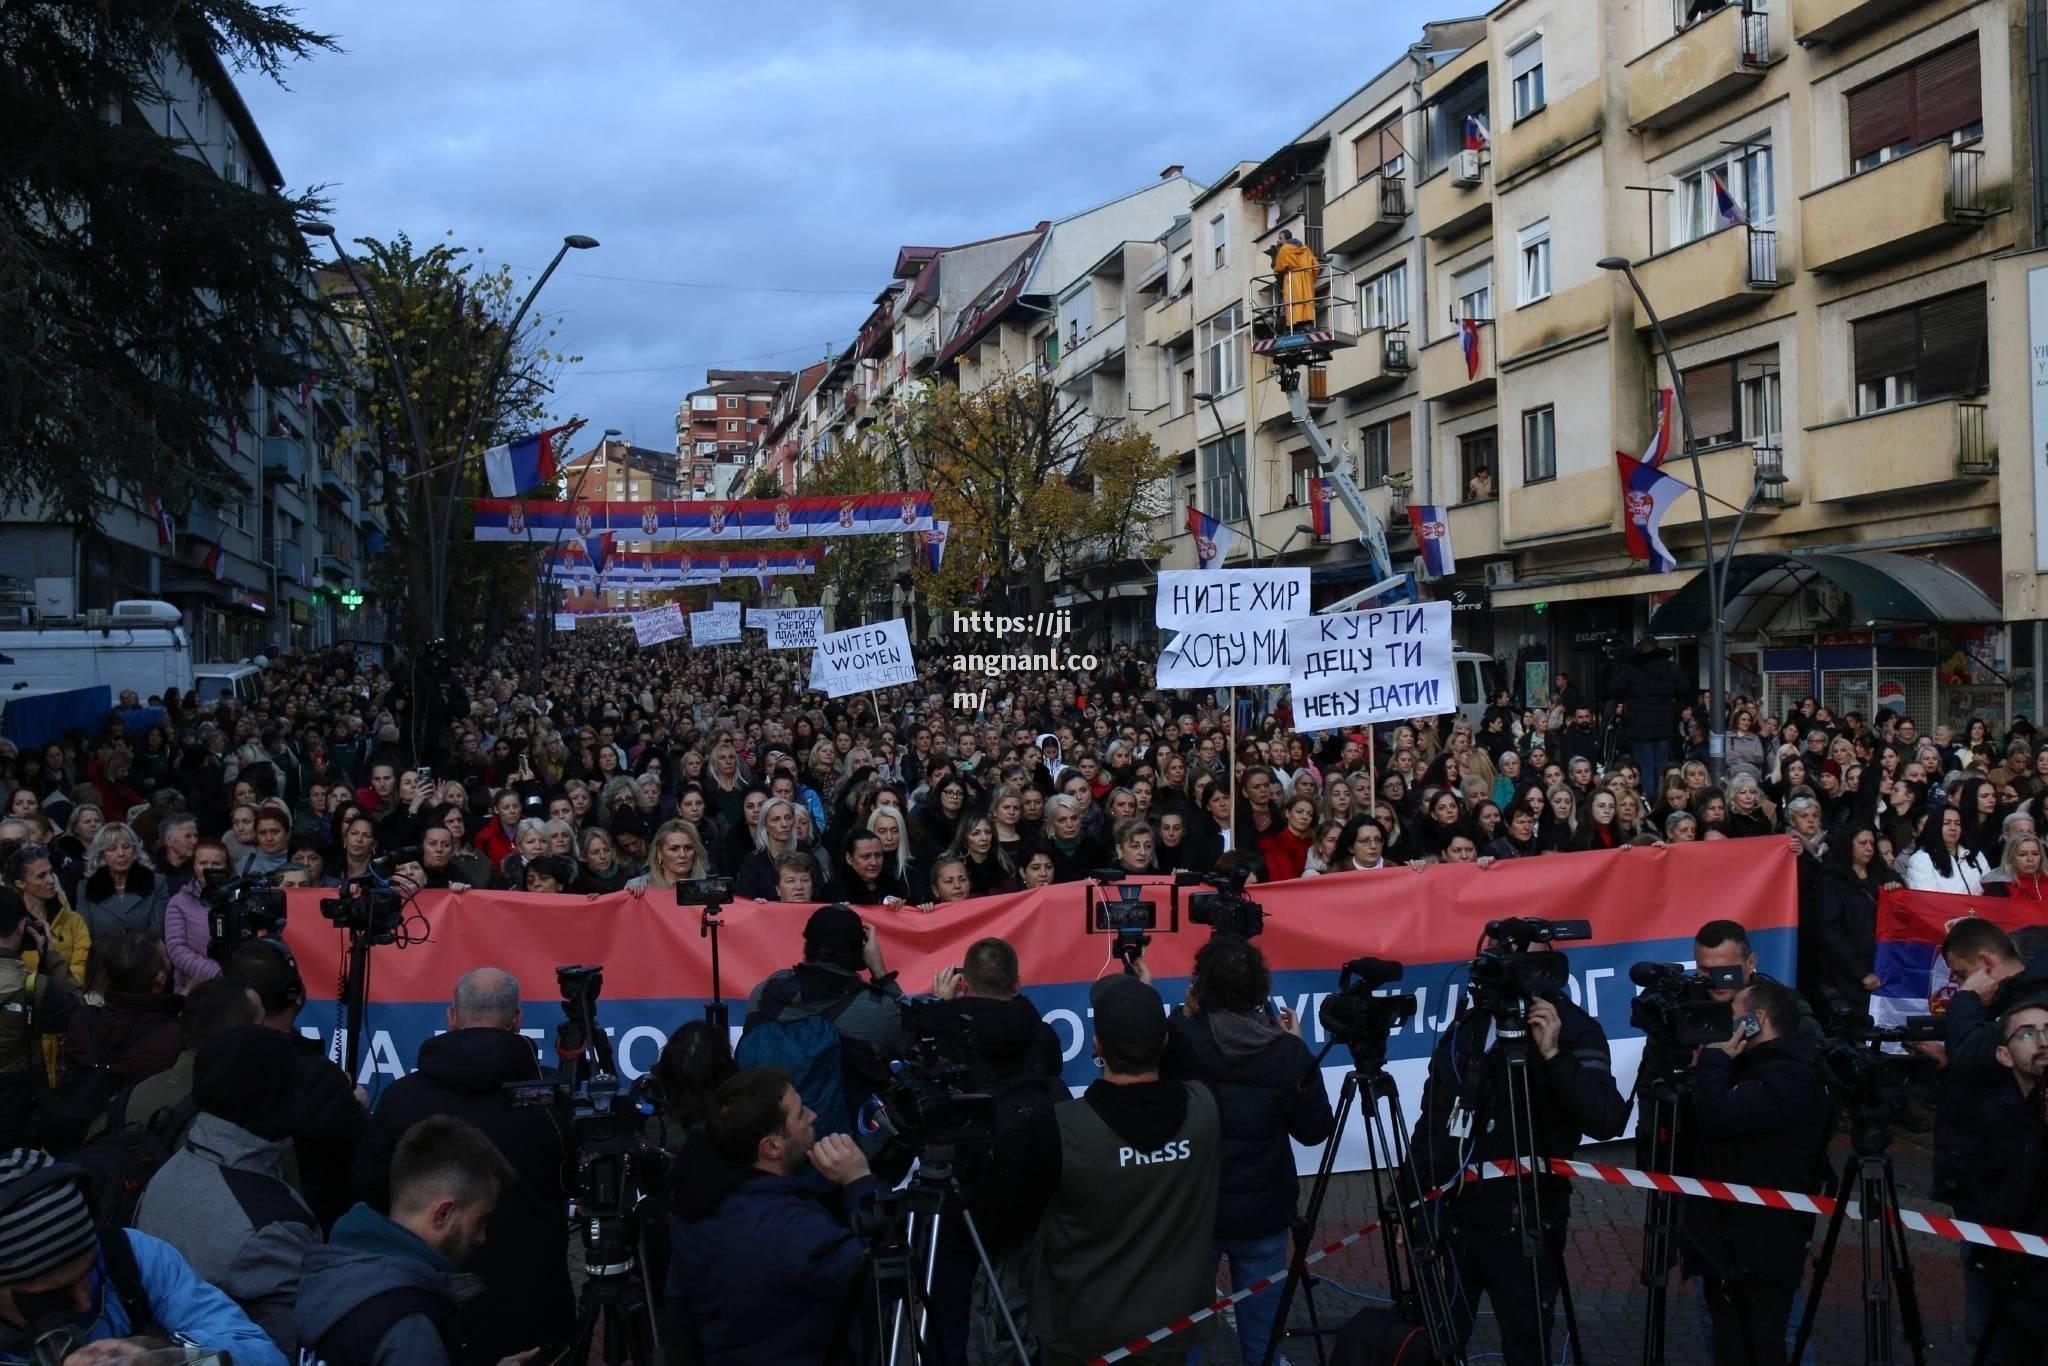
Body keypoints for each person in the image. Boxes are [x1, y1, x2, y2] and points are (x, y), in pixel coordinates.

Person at [1409, 938, 1630, 1366]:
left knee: (1527, 1348)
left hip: (1527, 1223)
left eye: (1531, 962)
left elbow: (1606, 1120)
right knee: (1433, 1342)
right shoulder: (1470, 1028)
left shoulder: (1572, 1027)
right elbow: (1434, 1117)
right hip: (1455, 1219)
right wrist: (1411, 1198)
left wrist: (1553, 1054)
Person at [355, 968, 573, 1366]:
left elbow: (368, 1196)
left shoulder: (400, 1100)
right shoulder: (554, 1100)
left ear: (452, 1017)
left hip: (429, 1310)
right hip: (535, 1309)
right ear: (518, 1020)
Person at [1011, 972, 1223, 1365]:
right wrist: (1146, 1000)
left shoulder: (1060, 1128)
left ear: (1097, 1045)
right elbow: (1187, 1063)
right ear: (1164, 1041)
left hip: (1081, 1323)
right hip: (1170, 1324)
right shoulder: (1204, 1108)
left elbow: (1018, 1221)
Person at [1161, 934, 1335, 1366]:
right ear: (1260, 988)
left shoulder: (1180, 1039)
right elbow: (1314, 1129)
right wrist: (1299, 1049)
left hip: (1197, 1209)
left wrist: (1186, 1015)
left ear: (1201, 986)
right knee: (1263, 1339)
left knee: (1186, 1337)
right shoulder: (1286, 1052)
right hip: (1262, 1213)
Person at [665, 1067, 881, 1364]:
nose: (813, 1116)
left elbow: (678, 1307)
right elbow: (881, 1279)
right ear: (772, 1146)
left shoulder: (692, 1200)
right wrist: (859, 1182)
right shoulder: (793, 1229)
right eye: (800, 1114)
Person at [133, 1024, 323, 1360]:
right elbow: (294, 1347)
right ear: (271, 1097)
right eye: (292, 1082)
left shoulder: (172, 1168)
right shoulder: (271, 1225)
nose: (303, 1092)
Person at [0, 1146, 287, 1365]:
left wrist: (168, 1352)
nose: (85, 1300)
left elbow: (265, 1355)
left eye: (90, 1271)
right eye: (55, 1293)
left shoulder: (130, 1258)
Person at [295, 1116, 532, 1366]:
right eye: (481, 1220)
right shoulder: (409, 1326)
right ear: (443, 1214)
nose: (482, 1236)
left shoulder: (337, 1272)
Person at [1680, 979, 1833, 1366]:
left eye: (1732, 1015)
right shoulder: (1758, 1066)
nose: (1722, 1026)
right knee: (1731, 1342)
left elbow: (1722, 1114)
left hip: (1760, 1246)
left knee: (1757, 1346)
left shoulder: (1790, 1075)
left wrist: (1713, 1062)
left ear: (1756, 1020)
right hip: (1732, 1240)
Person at [740, 904, 906, 1145]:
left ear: (808, 945)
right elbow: (916, 1039)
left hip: (766, 1142)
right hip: (843, 1149)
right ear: (860, 953)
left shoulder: (765, 993)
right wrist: (880, 973)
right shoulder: (878, 1009)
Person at [0, 887, 78, 1147]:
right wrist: (50, 956)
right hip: (16, 1105)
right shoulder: (35, 987)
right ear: (22, 928)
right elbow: (79, 1013)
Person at [1609, 635, 1685, 781]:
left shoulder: (1632, 669)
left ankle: (1649, 801)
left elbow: (1613, 689)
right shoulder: (1670, 668)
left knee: (1644, 768)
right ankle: (1661, 798)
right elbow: (1685, 689)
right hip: (1664, 725)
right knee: (1662, 768)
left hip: (1639, 727)